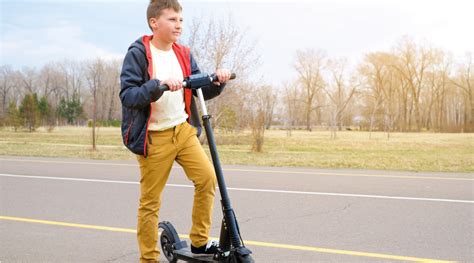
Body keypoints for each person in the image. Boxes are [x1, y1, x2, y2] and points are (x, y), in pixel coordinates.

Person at [119, 0, 231, 262]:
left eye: (180, 20)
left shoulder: (183, 52)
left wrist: (217, 80)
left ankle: (200, 243)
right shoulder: (138, 53)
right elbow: (128, 95)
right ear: (154, 23)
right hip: (154, 138)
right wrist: (157, 86)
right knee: (150, 203)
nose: (178, 25)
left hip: (182, 130)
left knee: (207, 179)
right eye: (172, 20)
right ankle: (149, 258)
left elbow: (198, 87)